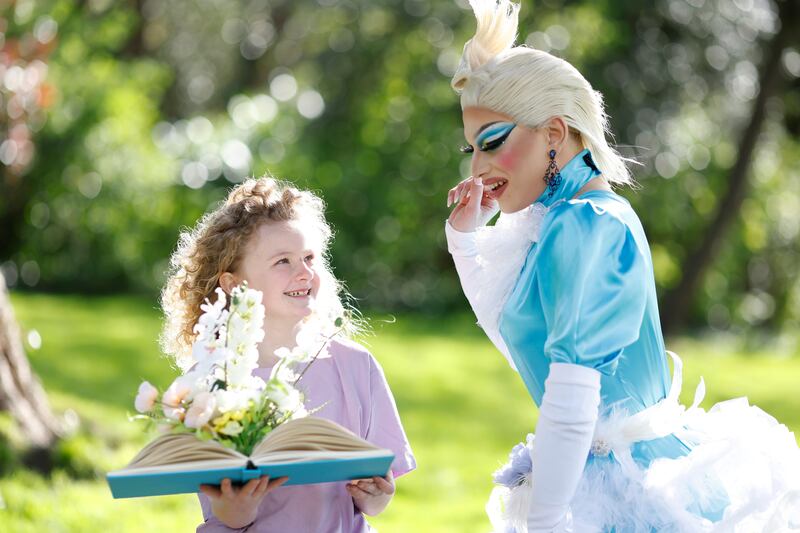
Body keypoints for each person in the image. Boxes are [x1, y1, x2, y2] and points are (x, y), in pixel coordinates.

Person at [445, 1, 800, 531]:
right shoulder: (558, 222)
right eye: (472, 147)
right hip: (594, 478)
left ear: (554, 134)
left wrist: (544, 523)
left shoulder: (584, 224)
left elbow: (571, 393)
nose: (478, 166)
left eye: (493, 142)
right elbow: (519, 346)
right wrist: (464, 238)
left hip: (634, 490)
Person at [160, 177, 415, 532]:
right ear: (234, 285)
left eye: (309, 257)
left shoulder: (357, 367)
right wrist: (238, 508)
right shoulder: (211, 383)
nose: (304, 273)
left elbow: (376, 498)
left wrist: (374, 496)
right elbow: (226, 514)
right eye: (283, 261)